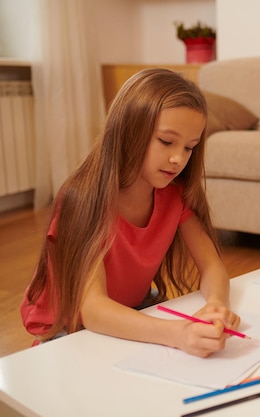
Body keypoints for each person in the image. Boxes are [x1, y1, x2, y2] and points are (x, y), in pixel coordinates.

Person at [21, 68, 240, 358]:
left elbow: (211, 265)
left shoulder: (175, 194)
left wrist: (217, 302)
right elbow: (93, 310)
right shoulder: (83, 199)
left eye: (189, 147)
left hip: (130, 310)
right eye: (166, 141)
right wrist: (176, 334)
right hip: (69, 328)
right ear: (128, 130)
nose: (178, 159)